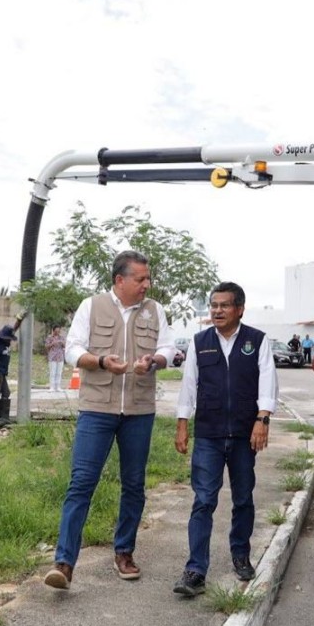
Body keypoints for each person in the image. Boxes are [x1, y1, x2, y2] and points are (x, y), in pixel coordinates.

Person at [43, 250, 177, 590]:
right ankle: (64, 562)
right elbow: (72, 348)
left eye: (148, 279)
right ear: (120, 280)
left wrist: (156, 361)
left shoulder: (155, 310)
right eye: (140, 279)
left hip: (139, 411)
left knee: (133, 484)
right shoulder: (92, 305)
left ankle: (124, 552)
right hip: (97, 410)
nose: (146, 285)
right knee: (81, 483)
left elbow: (169, 348)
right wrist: (102, 362)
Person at [172, 281, 278, 597]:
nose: (217, 311)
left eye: (224, 305)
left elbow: (267, 383)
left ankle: (240, 554)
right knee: (203, 500)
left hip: (245, 434)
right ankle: (195, 570)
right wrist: (182, 424)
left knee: (243, 498)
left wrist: (262, 420)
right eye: (214, 305)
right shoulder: (199, 341)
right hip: (209, 434)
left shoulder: (256, 341)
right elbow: (189, 386)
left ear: (239, 309)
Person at [45, 325, 66, 392]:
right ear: (53, 331)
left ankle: (58, 387)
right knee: (52, 372)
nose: (57, 332)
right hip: (52, 357)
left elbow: (65, 345)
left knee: (59, 372)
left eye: (58, 331)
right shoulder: (49, 337)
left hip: (60, 357)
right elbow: (46, 346)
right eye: (56, 331)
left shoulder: (62, 337)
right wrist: (52, 343)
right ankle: (52, 387)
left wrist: (62, 343)